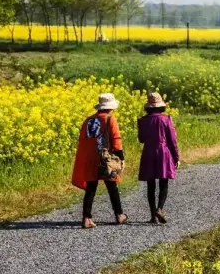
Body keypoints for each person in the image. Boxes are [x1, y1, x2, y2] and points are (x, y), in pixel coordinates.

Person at [72, 93, 128, 228]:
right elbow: (116, 140)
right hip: (105, 158)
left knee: (91, 188)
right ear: (111, 107)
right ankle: (119, 215)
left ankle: (87, 218)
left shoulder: (88, 120)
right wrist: (121, 158)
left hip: (90, 158)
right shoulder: (110, 118)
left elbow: (83, 140)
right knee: (112, 186)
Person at [137, 92, 180, 224]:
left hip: (148, 152)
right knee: (164, 182)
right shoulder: (166, 119)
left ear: (148, 107)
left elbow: (141, 139)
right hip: (163, 152)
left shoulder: (143, 120)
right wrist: (176, 157)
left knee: (150, 185)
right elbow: (172, 141)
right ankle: (160, 209)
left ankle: (152, 216)